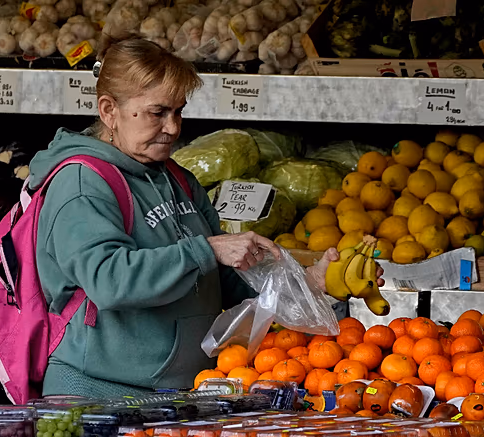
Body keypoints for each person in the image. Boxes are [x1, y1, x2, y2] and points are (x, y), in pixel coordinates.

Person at [27, 39, 361, 398]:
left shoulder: (177, 179)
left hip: (184, 393)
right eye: (158, 112)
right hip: (98, 394)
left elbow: (226, 285)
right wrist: (207, 249)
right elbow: (109, 280)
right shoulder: (82, 183)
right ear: (109, 110)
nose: (173, 127)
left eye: (178, 111)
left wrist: (304, 281)